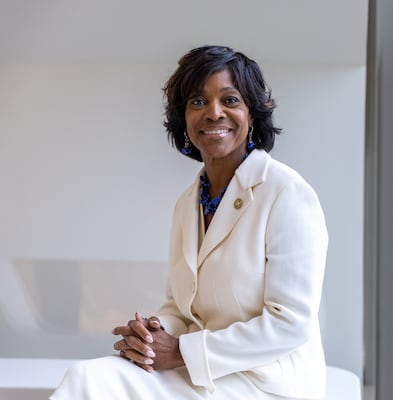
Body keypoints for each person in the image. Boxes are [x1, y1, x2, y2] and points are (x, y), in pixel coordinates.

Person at [50, 45, 328, 400]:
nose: (214, 113)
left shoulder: (286, 193)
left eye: (230, 100)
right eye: (198, 102)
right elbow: (181, 307)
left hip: (266, 383)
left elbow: (290, 324)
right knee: (87, 377)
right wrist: (152, 334)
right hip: (203, 375)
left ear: (252, 113)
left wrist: (180, 351)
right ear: (183, 118)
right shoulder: (188, 202)